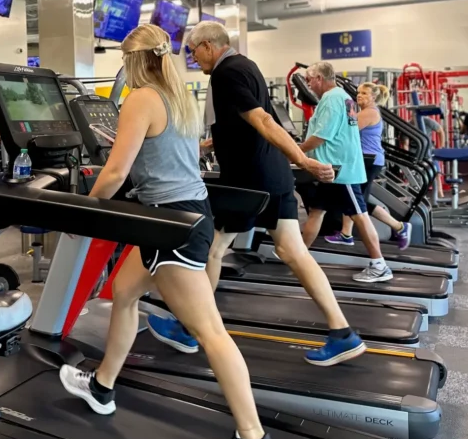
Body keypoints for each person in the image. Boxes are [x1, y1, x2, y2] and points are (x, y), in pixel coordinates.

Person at [58, 24, 282, 439]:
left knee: (211, 334)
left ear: (133, 61)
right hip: (183, 214)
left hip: (170, 226)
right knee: (123, 293)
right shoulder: (178, 95)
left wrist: (80, 210)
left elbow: (117, 171)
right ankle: (102, 386)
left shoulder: (141, 98)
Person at [148, 20, 366, 367]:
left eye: (193, 52)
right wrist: (205, 143)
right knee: (293, 252)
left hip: (249, 181)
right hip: (272, 174)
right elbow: (243, 124)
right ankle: (343, 332)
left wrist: (304, 160)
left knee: (214, 249)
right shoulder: (247, 65)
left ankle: (189, 328)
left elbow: (264, 120)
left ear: (208, 45)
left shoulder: (225, 73)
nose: (193, 59)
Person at [299, 62, 393, 284]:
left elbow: (322, 135)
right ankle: (299, 255)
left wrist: (296, 151)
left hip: (341, 170)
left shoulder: (332, 99)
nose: (308, 84)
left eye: (309, 79)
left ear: (320, 78)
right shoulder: (342, 96)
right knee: (316, 211)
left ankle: (380, 265)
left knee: (359, 214)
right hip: (329, 169)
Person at [324, 82, 412, 250]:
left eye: (364, 93)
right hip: (366, 159)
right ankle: (348, 234)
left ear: (373, 97)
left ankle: (396, 228)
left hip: (368, 160)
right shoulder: (365, 112)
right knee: (358, 199)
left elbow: (346, 131)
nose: (359, 95)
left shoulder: (369, 113)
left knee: (356, 199)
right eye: (358, 92)